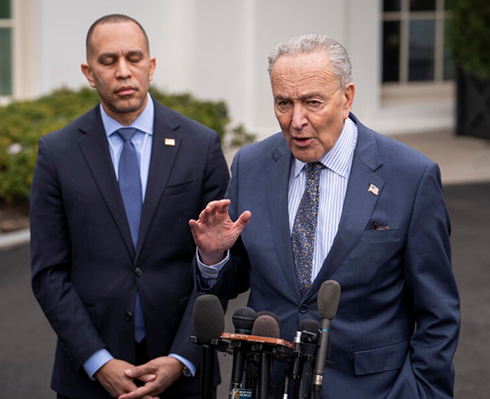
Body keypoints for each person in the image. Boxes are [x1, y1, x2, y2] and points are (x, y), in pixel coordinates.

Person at [190, 34, 461, 398]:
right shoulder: (251, 165)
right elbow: (238, 276)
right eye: (283, 103)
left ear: (347, 98)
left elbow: (438, 313)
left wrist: (422, 392)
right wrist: (213, 257)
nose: (296, 120)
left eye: (312, 102)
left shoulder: (411, 176)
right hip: (269, 384)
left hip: (374, 390)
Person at [30, 14, 229, 399]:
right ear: (89, 73)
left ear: (150, 67)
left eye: (134, 58)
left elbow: (221, 266)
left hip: (185, 375)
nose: (123, 72)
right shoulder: (57, 153)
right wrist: (98, 361)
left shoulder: (199, 146)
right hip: (88, 380)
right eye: (108, 61)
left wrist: (182, 357)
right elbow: (48, 273)